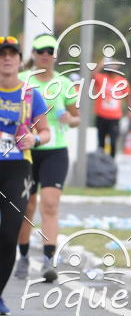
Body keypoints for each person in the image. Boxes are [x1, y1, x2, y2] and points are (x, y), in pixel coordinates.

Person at [16, 34, 81, 283]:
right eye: (41, 50)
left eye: (50, 51)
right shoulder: (22, 80)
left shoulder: (64, 84)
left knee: (50, 204)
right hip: (26, 151)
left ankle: (47, 260)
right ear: (33, 53)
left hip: (55, 150)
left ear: (55, 55)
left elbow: (77, 118)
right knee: (27, 206)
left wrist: (69, 119)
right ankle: (23, 256)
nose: (45, 55)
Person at [0, 36, 50, 314]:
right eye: (2, 54)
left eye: (12, 54)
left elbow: (45, 132)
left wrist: (36, 139)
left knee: (9, 234)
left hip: (17, 167)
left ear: (20, 61)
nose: (7, 58)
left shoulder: (30, 95)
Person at [92, 57, 131, 157]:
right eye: (110, 66)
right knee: (101, 143)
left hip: (114, 118)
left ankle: (111, 162)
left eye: (114, 66)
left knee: (113, 142)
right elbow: (91, 75)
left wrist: (129, 111)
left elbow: (128, 98)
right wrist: (101, 63)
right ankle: (101, 162)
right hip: (101, 116)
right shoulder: (101, 78)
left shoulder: (123, 82)